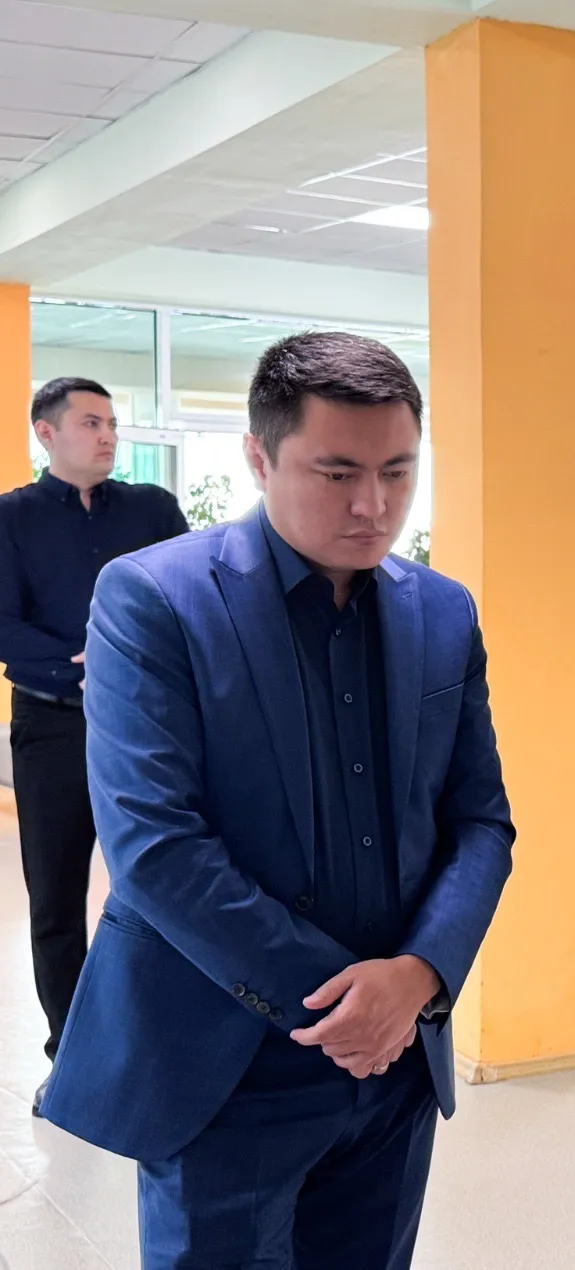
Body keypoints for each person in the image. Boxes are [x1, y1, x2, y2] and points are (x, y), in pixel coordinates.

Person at [39, 333, 515, 1269]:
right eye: (337, 473)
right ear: (259, 458)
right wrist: (347, 1005)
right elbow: (157, 849)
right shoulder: (154, 599)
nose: (373, 505)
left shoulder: (442, 611)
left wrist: (417, 976)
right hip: (225, 1066)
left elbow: (480, 823)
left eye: (397, 471)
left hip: (393, 1070)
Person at [0, 376, 188, 1113]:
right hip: (51, 727)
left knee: (159, 886)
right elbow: (4, 624)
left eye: (111, 422)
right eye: (90, 423)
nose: (108, 435)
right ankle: (73, 1060)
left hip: (147, 727)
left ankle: (160, 1048)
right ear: (46, 434)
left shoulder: (153, 510)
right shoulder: (10, 518)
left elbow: (190, 598)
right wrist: (82, 662)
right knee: (54, 899)